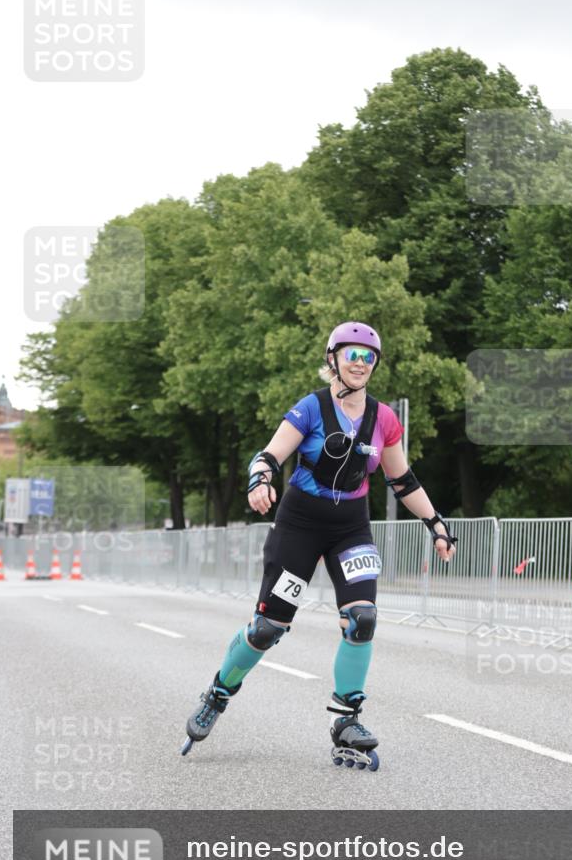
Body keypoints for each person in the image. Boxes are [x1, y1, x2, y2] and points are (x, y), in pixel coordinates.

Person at [181, 321, 457, 769]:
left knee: (362, 618)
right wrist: (260, 479)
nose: (360, 363)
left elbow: (402, 480)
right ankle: (218, 692)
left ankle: (346, 719)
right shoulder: (311, 408)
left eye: (368, 357)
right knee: (267, 629)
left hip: (351, 527)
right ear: (333, 359)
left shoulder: (383, 419)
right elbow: (269, 456)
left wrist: (436, 524)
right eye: (351, 354)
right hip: (300, 524)